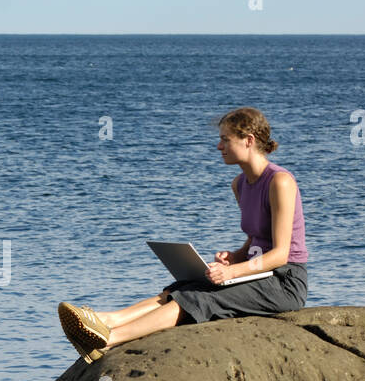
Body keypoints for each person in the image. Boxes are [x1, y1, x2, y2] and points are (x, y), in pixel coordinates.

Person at [59, 107, 309, 363]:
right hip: (257, 273)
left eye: (225, 139)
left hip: (284, 282)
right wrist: (235, 256)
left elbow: (280, 254)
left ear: (249, 140)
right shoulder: (240, 184)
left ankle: (108, 340)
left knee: (197, 298)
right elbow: (257, 238)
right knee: (182, 288)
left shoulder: (280, 182)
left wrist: (233, 272)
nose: (218, 146)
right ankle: (105, 320)